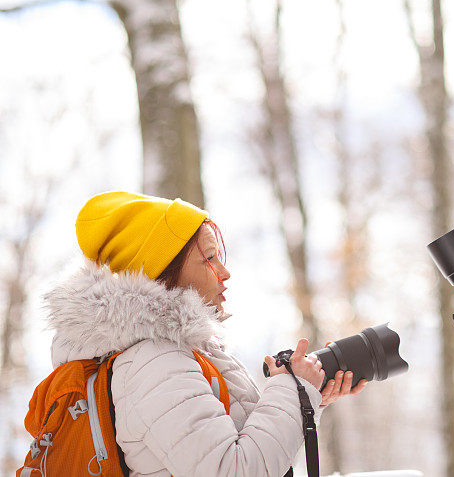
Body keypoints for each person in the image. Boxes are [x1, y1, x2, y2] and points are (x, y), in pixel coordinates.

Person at [45, 190, 365, 476]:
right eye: (209, 259)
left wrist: (303, 396)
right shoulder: (155, 364)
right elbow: (236, 470)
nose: (224, 273)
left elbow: (252, 452)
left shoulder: (178, 355)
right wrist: (290, 391)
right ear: (165, 274)